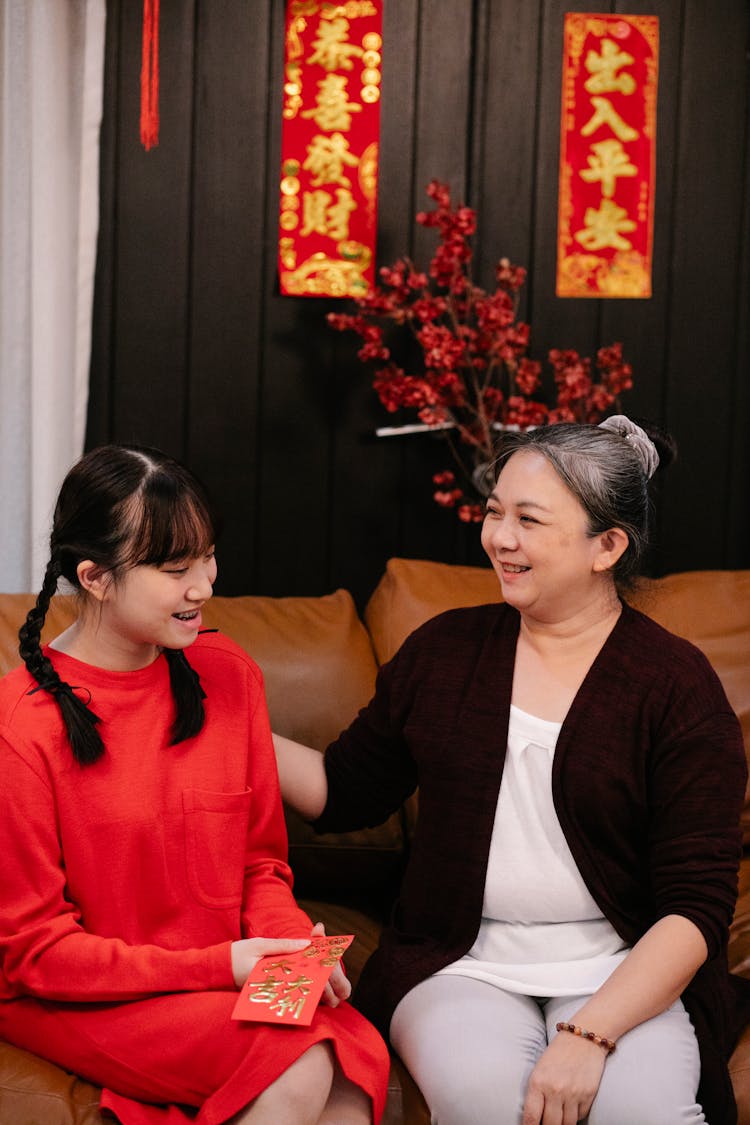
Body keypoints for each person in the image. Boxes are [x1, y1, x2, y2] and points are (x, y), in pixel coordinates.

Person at [274, 416, 750, 1125]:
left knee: (644, 1113)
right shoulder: (444, 652)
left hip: (623, 964)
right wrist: (233, 717)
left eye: (529, 519)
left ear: (607, 546)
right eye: (495, 511)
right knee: (488, 1104)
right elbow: (344, 792)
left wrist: (592, 1033)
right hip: (460, 960)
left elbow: (696, 907)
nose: (499, 537)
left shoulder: (675, 684)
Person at [0, 444, 389, 1125]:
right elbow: (38, 953)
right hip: (75, 993)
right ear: (95, 576)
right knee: (302, 1067)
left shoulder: (228, 673)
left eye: (207, 556)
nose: (204, 585)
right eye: (175, 568)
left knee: (352, 1084)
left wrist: (289, 945)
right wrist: (229, 964)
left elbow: (259, 863)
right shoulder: (19, 725)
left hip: (217, 974)